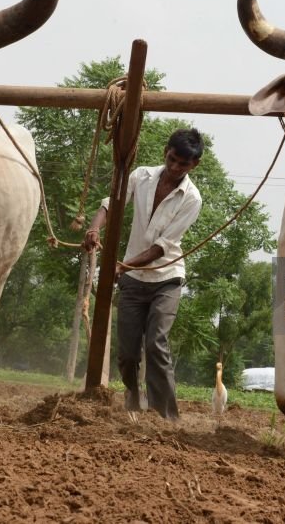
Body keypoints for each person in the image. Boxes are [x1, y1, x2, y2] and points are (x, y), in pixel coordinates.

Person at [82, 128, 204, 420]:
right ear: (166, 151)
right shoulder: (141, 176)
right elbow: (112, 203)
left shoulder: (192, 199)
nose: (175, 168)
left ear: (193, 166)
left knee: (156, 344)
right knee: (127, 354)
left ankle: (166, 417)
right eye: (172, 159)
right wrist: (94, 227)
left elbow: (163, 248)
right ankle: (133, 403)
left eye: (183, 164)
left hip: (167, 278)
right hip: (133, 281)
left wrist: (123, 266)